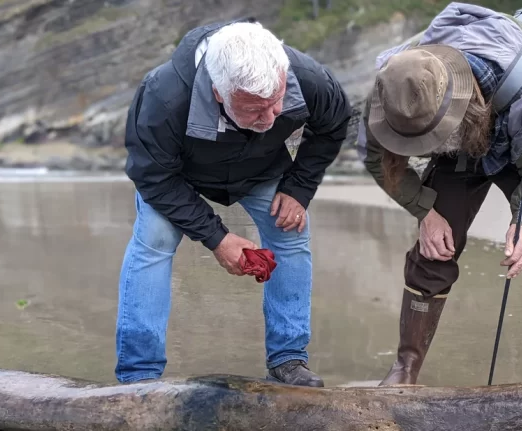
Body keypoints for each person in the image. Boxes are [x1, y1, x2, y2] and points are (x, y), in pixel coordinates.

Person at [357, 3, 522, 385]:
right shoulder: (394, 90)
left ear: (458, 109)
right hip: (463, 151)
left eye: (428, 136)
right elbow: (375, 157)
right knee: (434, 249)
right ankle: (404, 370)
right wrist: (426, 211)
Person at [116, 18, 351, 387]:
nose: (272, 117)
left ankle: (288, 360)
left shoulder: (306, 78)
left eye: (276, 104)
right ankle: (138, 374)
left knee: (290, 232)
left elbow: (334, 124)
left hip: (260, 169)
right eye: (256, 110)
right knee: (154, 242)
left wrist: (299, 188)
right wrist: (218, 238)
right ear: (219, 93)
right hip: (179, 175)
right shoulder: (163, 96)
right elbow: (153, 177)